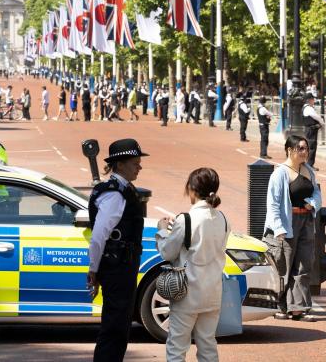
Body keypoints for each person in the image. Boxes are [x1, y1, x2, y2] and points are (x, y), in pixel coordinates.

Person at [159, 168, 229, 362]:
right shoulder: (223, 219)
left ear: (191, 189)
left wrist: (162, 231)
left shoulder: (185, 219)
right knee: (207, 345)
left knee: (177, 347)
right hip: (213, 292)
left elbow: (167, 252)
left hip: (187, 294)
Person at [86, 138, 147, 362]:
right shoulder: (114, 193)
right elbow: (99, 235)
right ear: (119, 165)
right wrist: (93, 269)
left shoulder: (122, 189)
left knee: (119, 326)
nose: (139, 167)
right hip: (117, 267)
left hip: (121, 266)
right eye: (134, 162)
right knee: (114, 327)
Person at [264, 134, 322, 321]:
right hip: (287, 224)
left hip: (306, 221)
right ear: (290, 150)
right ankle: (281, 306)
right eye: (301, 148)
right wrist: (279, 228)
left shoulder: (308, 171)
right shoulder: (280, 173)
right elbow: (273, 204)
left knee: (304, 264)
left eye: (307, 148)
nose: (305, 152)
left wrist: (312, 203)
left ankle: (297, 308)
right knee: (284, 266)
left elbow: (317, 193)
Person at [302, 94, 325, 169]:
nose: (313, 101)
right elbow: (316, 117)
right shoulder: (309, 108)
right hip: (311, 129)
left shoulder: (305, 108)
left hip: (309, 129)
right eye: (312, 99)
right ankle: (309, 165)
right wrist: (322, 122)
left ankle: (308, 164)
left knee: (310, 147)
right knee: (312, 147)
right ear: (309, 100)